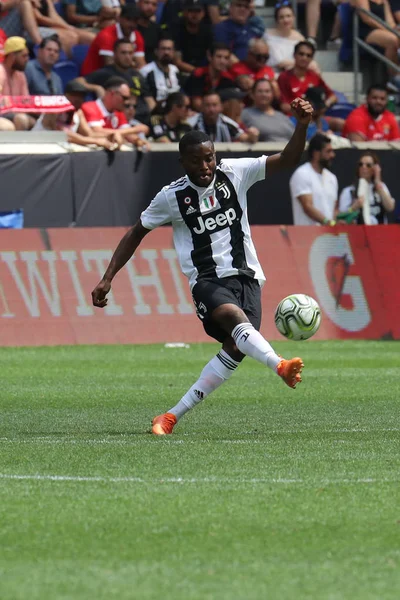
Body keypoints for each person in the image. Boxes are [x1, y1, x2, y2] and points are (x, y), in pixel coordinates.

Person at [91, 97, 314, 435]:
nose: (205, 166)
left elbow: (289, 159)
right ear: (183, 162)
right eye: (196, 161)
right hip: (206, 281)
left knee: (236, 348)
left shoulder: (235, 173)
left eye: (209, 158)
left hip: (247, 278)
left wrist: (301, 125)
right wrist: (108, 278)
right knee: (232, 318)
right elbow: (136, 232)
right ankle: (280, 365)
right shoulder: (172, 196)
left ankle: (170, 416)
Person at [77, 38, 156, 125]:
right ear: (114, 55)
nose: (127, 57)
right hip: (122, 120)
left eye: (130, 53)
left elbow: (150, 100)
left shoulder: (137, 74)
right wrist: (96, 88)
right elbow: (78, 82)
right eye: (123, 53)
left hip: (144, 119)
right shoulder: (105, 72)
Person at [32, 79, 118, 149]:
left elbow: (89, 134)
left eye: (81, 96)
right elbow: (65, 135)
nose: (78, 99)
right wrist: (96, 141)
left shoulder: (78, 112)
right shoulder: (54, 110)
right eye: (75, 95)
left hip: (58, 151)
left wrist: (110, 136)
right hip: (37, 147)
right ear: (65, 95)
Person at [81, 75, 149, 148]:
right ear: (112, 94)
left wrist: (138, 140)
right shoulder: (90, 107)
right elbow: (96, 132)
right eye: (124, 98)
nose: (126, 102)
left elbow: (127, 133)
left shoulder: (119, 112)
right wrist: (135, 129)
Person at [289, 133, 338, 225]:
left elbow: (334, 208)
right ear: (316, 154)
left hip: (329, 237)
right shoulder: (302, 174)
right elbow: (307, 207)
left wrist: (335, 223)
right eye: (328, 151)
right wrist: (327, 222)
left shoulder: (332, 178)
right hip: (306, 236)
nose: (332, 155)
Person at [81, 5, 145, 75]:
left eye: (135, 21)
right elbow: (110, 66)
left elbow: (141, 65)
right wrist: (132, 64)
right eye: (128, 19)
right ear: (120, 19)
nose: (132, 24)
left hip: (118, 76)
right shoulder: (106, 35)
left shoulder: (137, 36)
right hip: (93, 76)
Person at [278, 41, 337, 115]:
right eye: (301, 54)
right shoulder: (284, 77)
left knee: (339, 123)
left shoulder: (314, 76)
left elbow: (333, 96)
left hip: (314, 116)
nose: (304, 58)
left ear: (312, 59)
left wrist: (325, 105)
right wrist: (303, 112)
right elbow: (283, 106)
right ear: (294, 55)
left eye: (308, 55)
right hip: (293, 118)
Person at [338, 152, 395, 224]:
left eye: (368, 165)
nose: (363, 167)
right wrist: (353, 207)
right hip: (358, 231)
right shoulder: (349, 191)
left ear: (374, 169)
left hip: (379, 232)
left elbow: (390, 207)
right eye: (360, 164)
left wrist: (378, 183)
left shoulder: (381, 187)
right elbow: (341, 216)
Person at [263, 2, 319, 73]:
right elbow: (277, 62)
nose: (286, 20)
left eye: (288, 16)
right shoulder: (267, 35)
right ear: (277, 20)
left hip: (294, 70)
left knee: (314, 65)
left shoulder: (299, 37)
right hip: (274, 72)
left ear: (293, 18)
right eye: (281, 17)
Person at [351, 0, 400, 80]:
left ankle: (397, 74)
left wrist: (395, 29)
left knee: (397, 37)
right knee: (393, 40)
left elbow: (390, 23)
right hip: (365, 31)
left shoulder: (384, 1)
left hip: (383, 30)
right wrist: (387, 29)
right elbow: (367, 18)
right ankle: (394, 78)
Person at [188, 90, 259, 142]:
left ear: (221, 107)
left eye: (214, 105)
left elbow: (245, 139)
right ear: (202, 107)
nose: (211, 109)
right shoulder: (190, 124)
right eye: (207, 105)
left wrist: (252, 136)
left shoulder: (228, 123)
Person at [184, 42, 234, 112]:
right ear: (210, 57)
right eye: (219, 57)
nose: (222, 61)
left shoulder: (228, 79)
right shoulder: (198, 74)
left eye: (226, 58)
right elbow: (197, 104)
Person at [168, 0, 213, 75]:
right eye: (191, 11)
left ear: (203, 13)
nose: (194, 15)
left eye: (198, 11)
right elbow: (177, 62)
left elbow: (212, 55)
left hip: (204, 70)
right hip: (180, 72)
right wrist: (198, 72)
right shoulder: (175, 29)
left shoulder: (208, 29)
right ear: (184, 12)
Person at [0, 36, 35, 130]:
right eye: (24, 56)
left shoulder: (20, 75)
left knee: (36, 122)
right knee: (13, 124)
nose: (27, 59)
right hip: (2, 114)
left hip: (14, 113)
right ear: (12, 56)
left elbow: (26, 101)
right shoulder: (0, 71)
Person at [139, 36, 180, 104]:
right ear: (156, 51)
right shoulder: (146, 71)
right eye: (163, 49)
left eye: (169, 49)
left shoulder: (175, 70)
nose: (166, 52)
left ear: (173, 52)